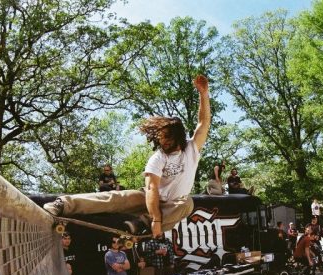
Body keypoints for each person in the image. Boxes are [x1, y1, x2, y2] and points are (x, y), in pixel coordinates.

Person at [43, 75, 211, 238]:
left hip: (173, 206)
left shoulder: (191, 148)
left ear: (177, 136)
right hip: (150, 198)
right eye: (160, 137)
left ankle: (140, 224)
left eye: (167, 137)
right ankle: (62, 204)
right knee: (115, 198)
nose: (162, 141)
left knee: (187, 203)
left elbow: (203, 123)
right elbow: (152, 188)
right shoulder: (157, 158)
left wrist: (203, 94)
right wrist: (157, 218)